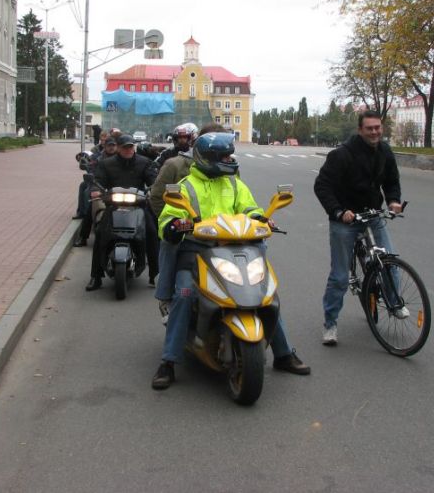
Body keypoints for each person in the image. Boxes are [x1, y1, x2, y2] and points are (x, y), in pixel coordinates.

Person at [151, 132, 310, 390]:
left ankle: (283, 354)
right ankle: (168, 362)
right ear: (207, 158)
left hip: (237, 249)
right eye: (224, 156)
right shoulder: (185, 187)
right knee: (184, 293)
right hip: (196, 250)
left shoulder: (234, 184)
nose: (229, 160)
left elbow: (249, 208)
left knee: (266, 294)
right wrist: (174, 225)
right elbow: (168, 218)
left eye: (229, 155)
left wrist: (261, 218)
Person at [313, 110, 405, 347]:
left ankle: (394, 303)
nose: (375, 132)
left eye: (378, 127)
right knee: (340, 277)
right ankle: (330, 324)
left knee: (389, 262)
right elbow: (322, 186)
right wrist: (338, 211)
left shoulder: (384, 151)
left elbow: (391, 181)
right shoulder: (342, 155)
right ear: (360, 130)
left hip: (372, 215)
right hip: (345, 219)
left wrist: (393, 201)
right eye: (369, 128)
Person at [149, 123, 224, 323]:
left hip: (223, 236)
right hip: (189, 235)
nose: (220, 151)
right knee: (169, 244)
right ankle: (165, 297)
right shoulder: (175, 164)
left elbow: (239, 202)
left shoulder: (229, 168)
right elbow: (157, 197)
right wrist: (173, 223)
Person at [87, 134, 159, 291]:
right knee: (100, 233)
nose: (128, 150)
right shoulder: (106, 164)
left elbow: (153, 180)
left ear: (134, 147)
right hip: (114, 205)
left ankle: (155, 274)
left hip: (138, 205)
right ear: (118, 148)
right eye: (125, 147)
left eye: (130, 147)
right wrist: (95, 189)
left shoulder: (144, 162)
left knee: (152, 232)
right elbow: (98, 180)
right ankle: (96, 276)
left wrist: (153, 188)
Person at [73, 132, 118, 247]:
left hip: (120, 190)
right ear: (105, 146)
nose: (111, 148)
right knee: (91, 207)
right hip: (103, 188)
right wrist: (95, 188)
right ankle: (83, 237)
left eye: (113, 145)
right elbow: (93, 172)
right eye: (109, 145)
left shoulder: (121, 159)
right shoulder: (99, 159)